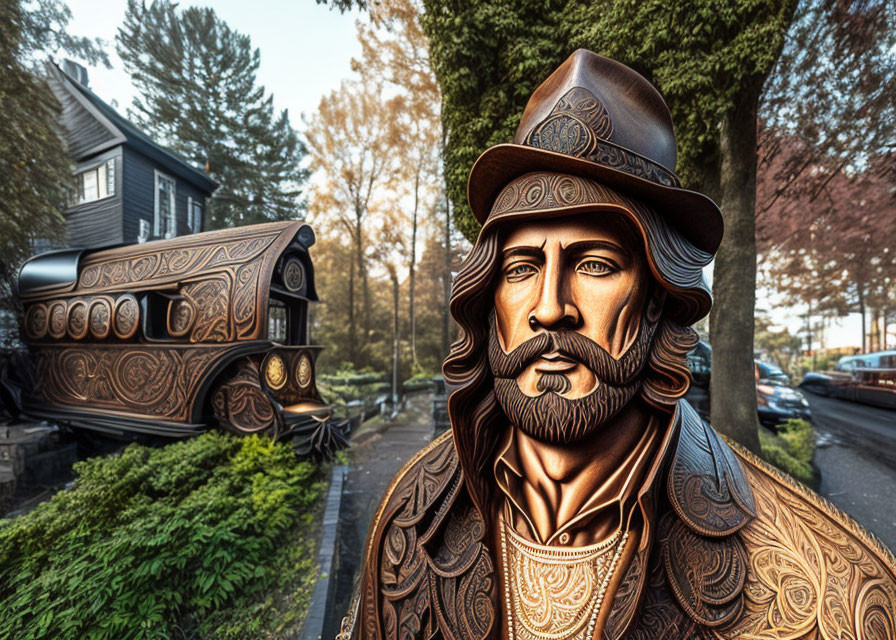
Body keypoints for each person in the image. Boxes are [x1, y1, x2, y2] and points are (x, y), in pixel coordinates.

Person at [339, 49, 896, 640]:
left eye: (596, 264)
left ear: (659, 298)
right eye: (522, 267)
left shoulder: (830, 597)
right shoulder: (408, 518)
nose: (551, 308)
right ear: (487, 299)